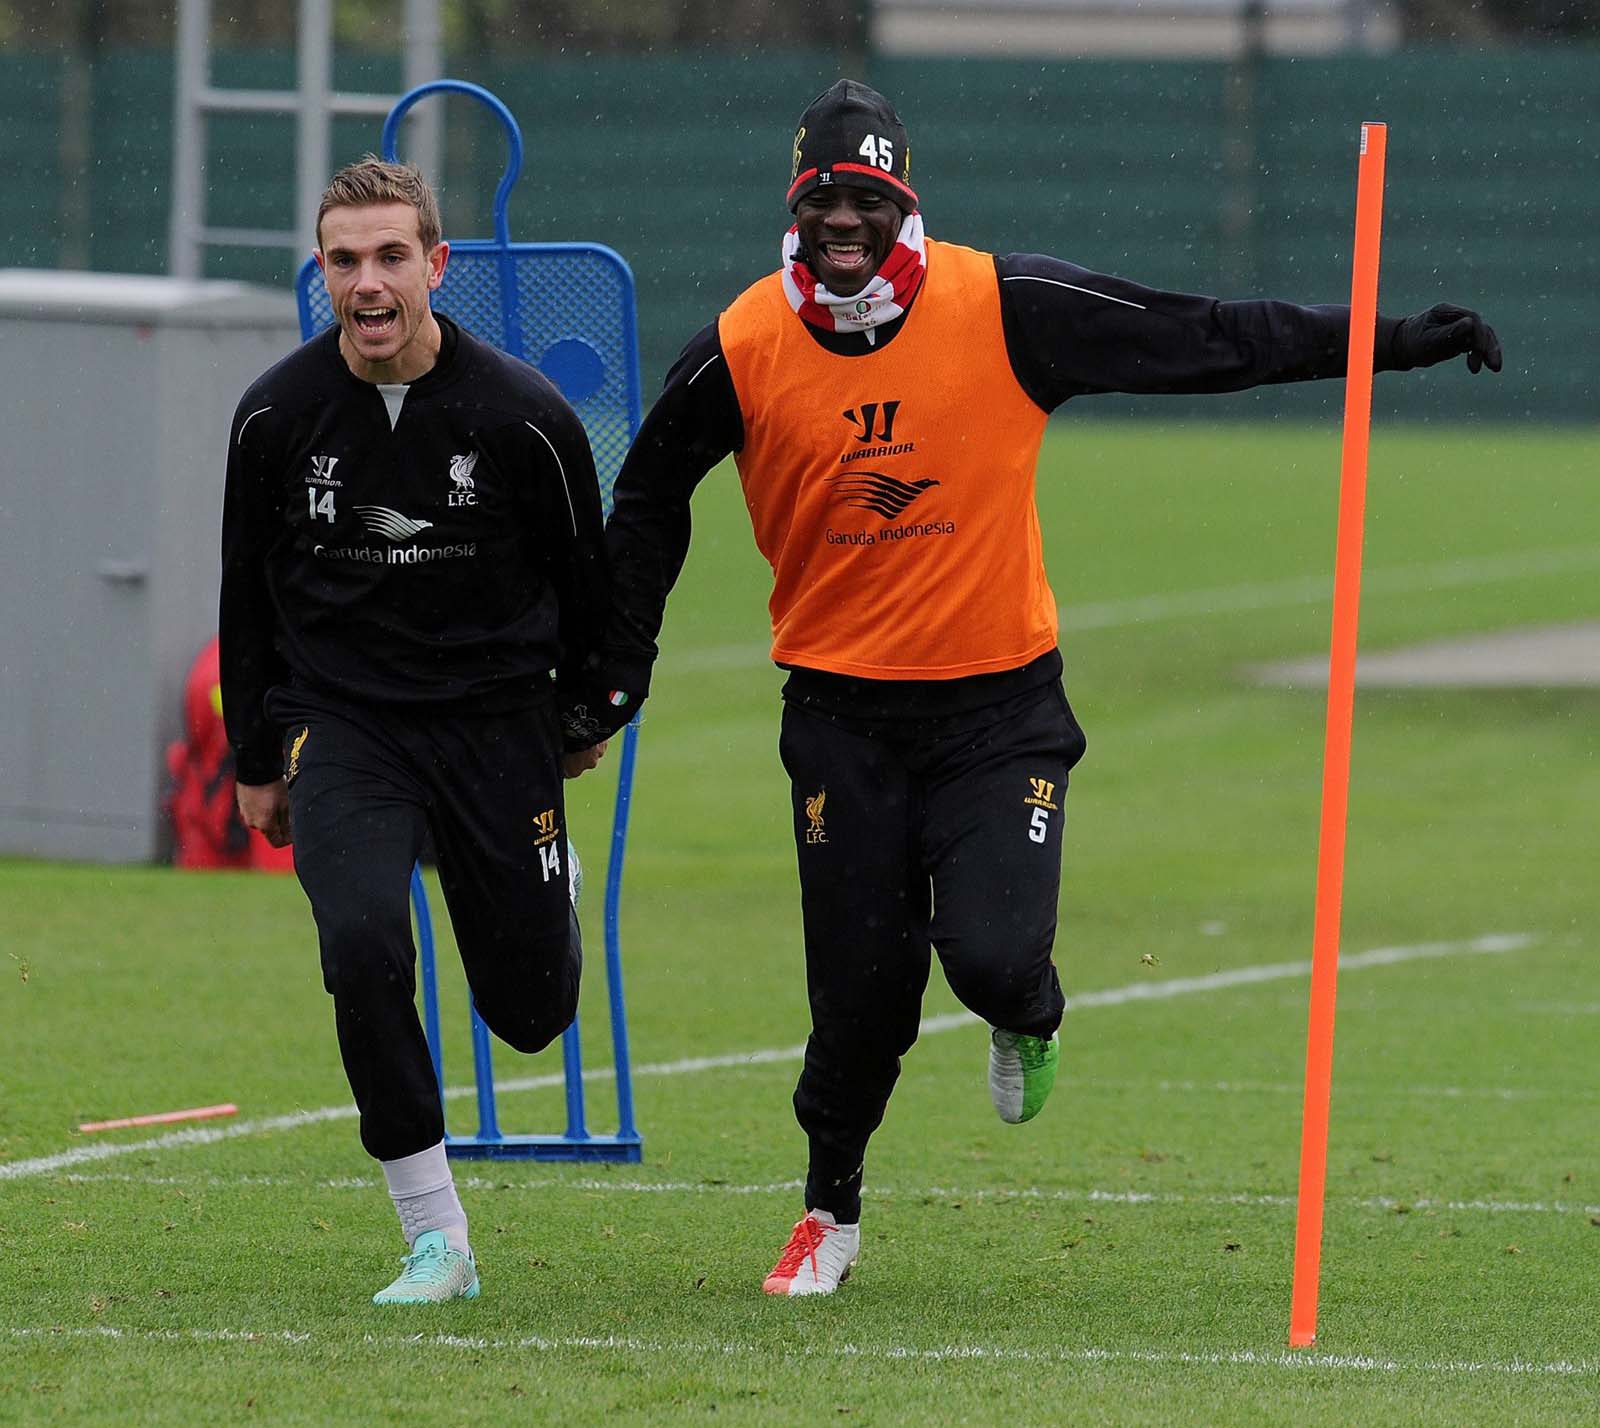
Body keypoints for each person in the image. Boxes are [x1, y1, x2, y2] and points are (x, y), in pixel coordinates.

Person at [597, 80, 1502, 1297]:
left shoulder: (1003, 304)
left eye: (870, 196)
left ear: (903, 200)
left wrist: (1388, 338)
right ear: (797, 209)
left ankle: (1029, 1013)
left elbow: (1209, 336)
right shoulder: (742, 344)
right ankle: (829, 1213)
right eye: (825, 200)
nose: (847, 221)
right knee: (860, 997)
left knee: (989, 956)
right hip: (837, 715)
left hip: (997, 708)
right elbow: (648, 500)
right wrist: (611, 675)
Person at [219, 156, 623, 1305]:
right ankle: (434, 1236)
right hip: (342, 726)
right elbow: (242, 594)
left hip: (496, 729)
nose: (369, 282)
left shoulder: (525, 417)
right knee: (359, 942)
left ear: (437, 266)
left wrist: (585, 714)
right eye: (344, 260)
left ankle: (552, 887)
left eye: (392, 255)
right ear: (322, 273)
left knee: (530, 1016)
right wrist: (257, 758)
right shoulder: (274, 415)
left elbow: (589, 590)